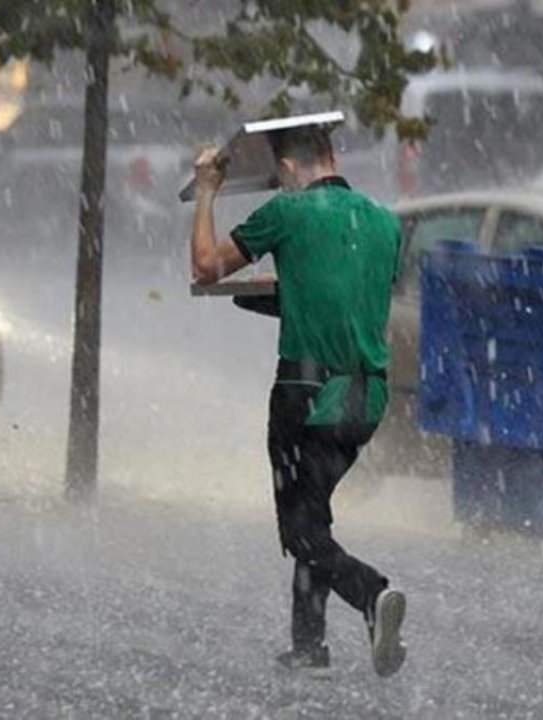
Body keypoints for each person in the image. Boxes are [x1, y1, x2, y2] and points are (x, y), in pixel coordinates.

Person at [189, 124, 406, 677]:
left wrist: (208, 189)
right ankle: (309, 646)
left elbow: (206, 266)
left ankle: (370, 593)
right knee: (314, 514)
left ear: (286, 170)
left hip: (306, 395)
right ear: (332, 155)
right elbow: (347, 298)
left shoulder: (287, 213)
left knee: (300, 531)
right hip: (366, 398)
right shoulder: (384, 222)